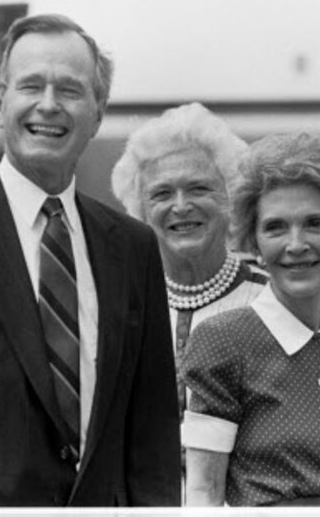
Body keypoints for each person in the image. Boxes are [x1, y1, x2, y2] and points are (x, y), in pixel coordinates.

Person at [0, 14, 180, 507]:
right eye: (30, 86)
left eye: (69, 89)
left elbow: (152, 436)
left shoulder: (133, 246)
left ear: (98, 111)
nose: (48, 104)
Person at [181, 133, 320, 506]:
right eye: (276, 227)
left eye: (314, 223)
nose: (296, 245)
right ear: (255, 243)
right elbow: (203, 493)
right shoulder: (222, 340)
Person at [110, 102, 267, 418]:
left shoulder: (269, 302)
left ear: (231, 198)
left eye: (198, 188)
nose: (180, 206)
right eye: (162, 194)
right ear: (140, 210)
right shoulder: (117, 305)